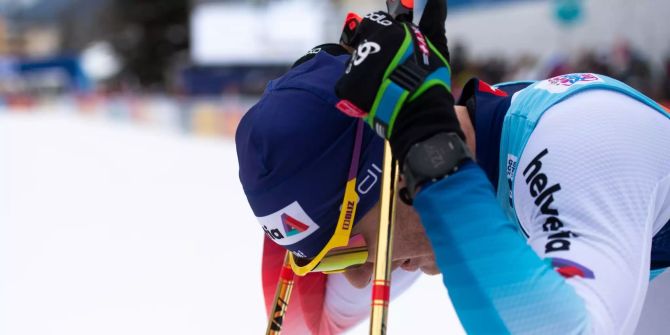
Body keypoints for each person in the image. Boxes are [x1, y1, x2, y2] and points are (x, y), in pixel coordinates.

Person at [237, 3, 670, 335]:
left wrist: (435, 153)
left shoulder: (580, 139)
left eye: (351, 251)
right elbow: (315, 319)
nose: (360, 273)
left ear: (403, 172)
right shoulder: (444, 181)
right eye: (338, 260)